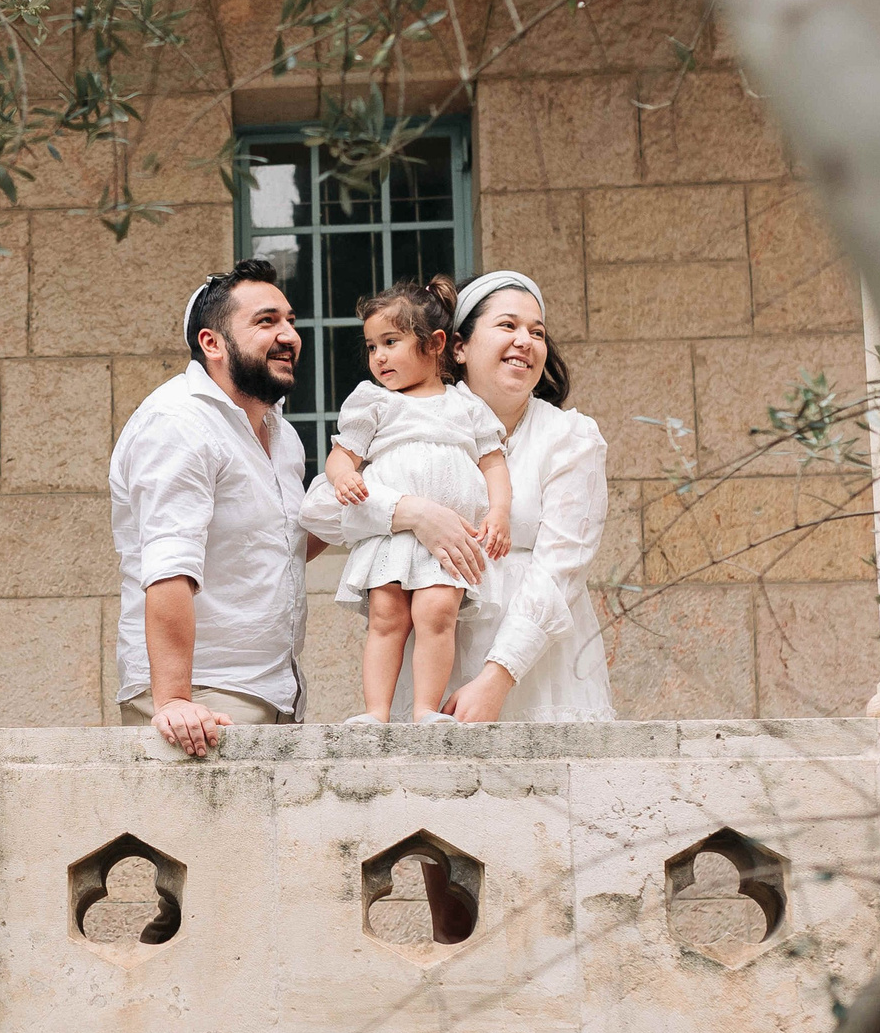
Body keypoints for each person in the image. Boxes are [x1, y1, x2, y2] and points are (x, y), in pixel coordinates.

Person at [303, 269, 615, 722]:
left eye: (538, 332)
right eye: (508, 325)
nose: (525, 340)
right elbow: (320, 509)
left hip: (535, 669)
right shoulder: (407, 411)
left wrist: (497, 676)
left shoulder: (571, 436)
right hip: (438, 661)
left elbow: (562, 568)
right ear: (459, 346)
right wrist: (412, 514)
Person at [111, 257, 326, 756]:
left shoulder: (282, 434)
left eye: (291, 321)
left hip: (277, 694)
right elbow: (168, 566)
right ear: (212, 344)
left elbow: (280, 547)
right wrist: (174, 701)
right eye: (266, 321)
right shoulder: (178, 423)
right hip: (201, 703)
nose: (290, 335)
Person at [316, 278, 512, 724]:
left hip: (450, 540)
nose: (378, 356)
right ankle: (376, 712)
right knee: (387, 615)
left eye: (391, 342)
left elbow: (494, 464)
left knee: (437, 612)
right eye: (371, 346)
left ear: (435, 343)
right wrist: (344, 475)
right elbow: (341, 454)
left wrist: (499, 511)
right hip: (395, 534)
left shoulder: (467, 406)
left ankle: (425, 708)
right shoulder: (376, 403)